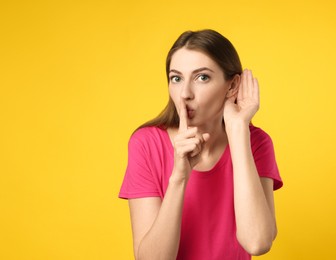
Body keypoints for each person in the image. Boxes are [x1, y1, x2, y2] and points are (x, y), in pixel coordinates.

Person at [119, 29, 283, 260]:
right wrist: (179, 177)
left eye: (202, 77)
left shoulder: (256, 142)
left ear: (232, 86)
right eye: (176, 78)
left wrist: (238, 131)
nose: (185, 93)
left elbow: (257, 242)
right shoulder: (146, 144)